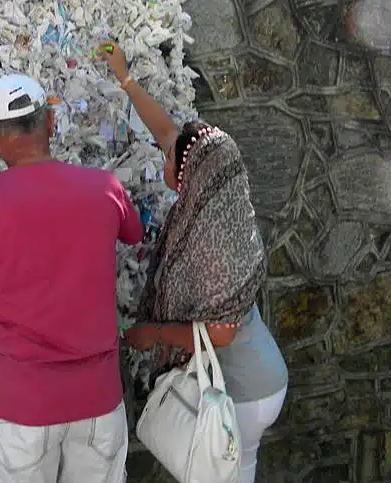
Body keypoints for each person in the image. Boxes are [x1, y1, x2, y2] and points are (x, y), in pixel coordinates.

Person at [97, 42, 289, 483]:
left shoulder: (214, 240)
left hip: (244, 389)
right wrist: (125, 78)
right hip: (257, 376)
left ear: (190, 173)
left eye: (169, 158)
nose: (163, 154)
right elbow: (168, 132)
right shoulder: (218, 202)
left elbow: (220, 331)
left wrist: (155, 333)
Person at [0, 72, 145, 483]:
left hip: (23, 406)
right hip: (98, 401)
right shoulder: (104, 188)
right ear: (51, 122)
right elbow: (133, 233)